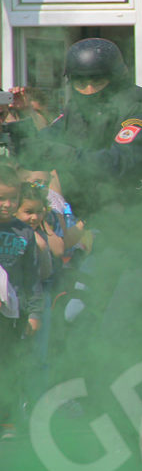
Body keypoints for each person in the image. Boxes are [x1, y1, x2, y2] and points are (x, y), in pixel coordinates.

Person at [10, 37, 142, 452]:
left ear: (117, 77)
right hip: (110, 242)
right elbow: (34, 149)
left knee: (117, 344)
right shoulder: (73, 119)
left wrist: (52, 149)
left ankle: (124, 457)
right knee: (80, 334)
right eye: (82, 82)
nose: (89, 90)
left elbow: (117, 163)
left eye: (98, 81)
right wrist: (13, 126)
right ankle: (106, 438)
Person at [0, 166, 42, 435]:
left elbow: (32, 277)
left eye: (12, 198)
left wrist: (35, 313)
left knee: (8, 364)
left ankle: (7, 417)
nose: (7, 204)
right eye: (1, 197)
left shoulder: (23, 232)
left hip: (12, 313)